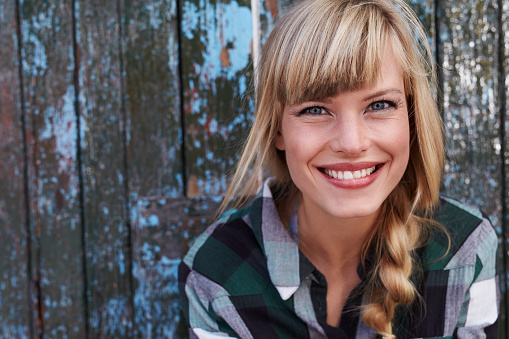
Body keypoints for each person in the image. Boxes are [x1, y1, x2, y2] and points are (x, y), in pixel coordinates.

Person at [178, 0, 499, 337]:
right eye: (315, 109)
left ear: (411, 118)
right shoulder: (217, 273)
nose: (351, 143)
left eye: (379, 105)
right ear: (276, 129)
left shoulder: (464, 249)